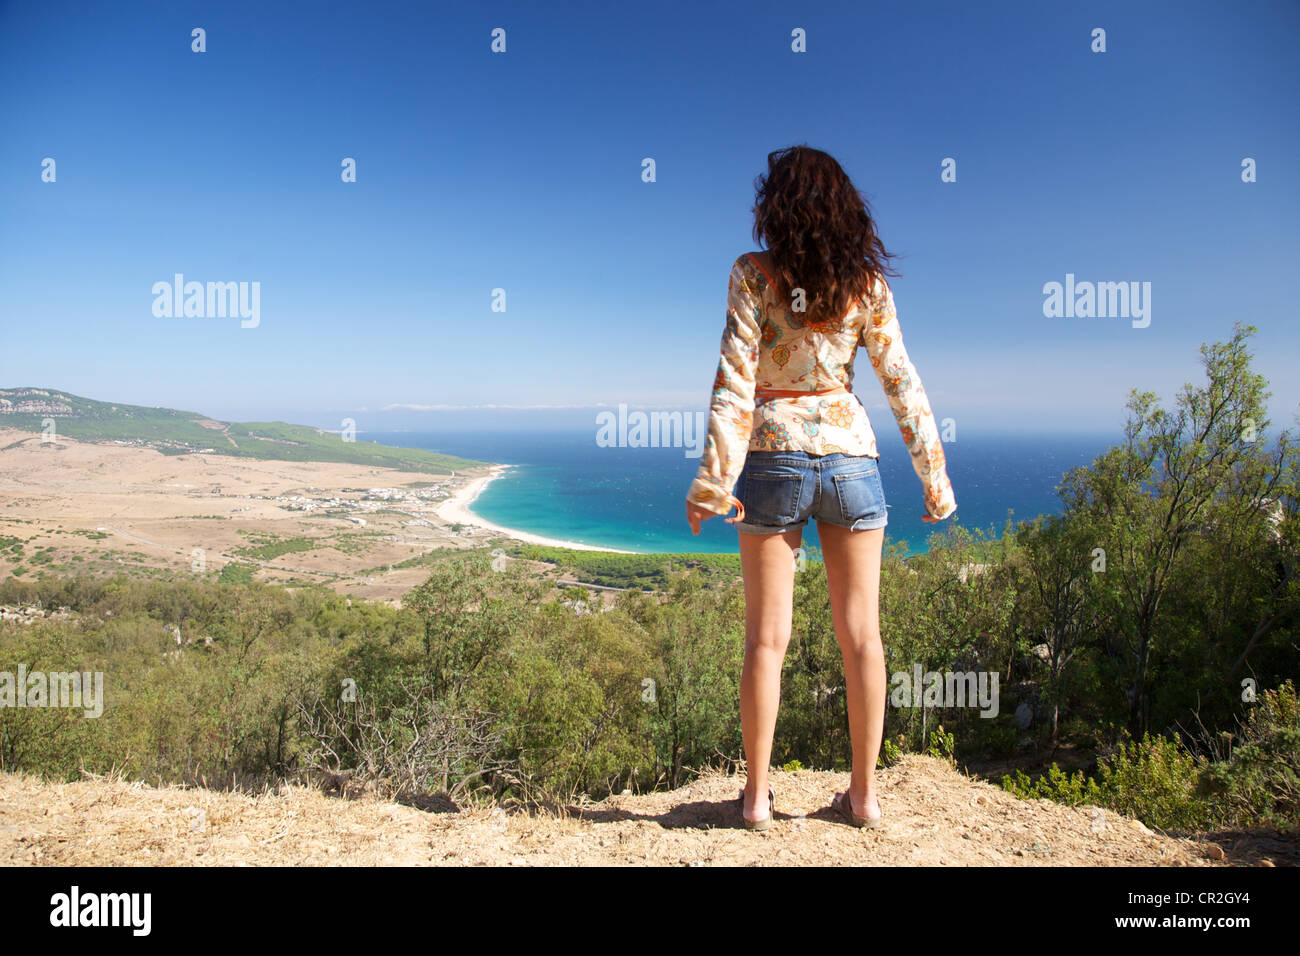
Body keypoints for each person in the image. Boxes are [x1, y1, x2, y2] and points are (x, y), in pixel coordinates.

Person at [684, 145, 956, 831]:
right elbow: (902, 383)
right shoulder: (867, 286)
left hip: (773, 455)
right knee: (862, 636)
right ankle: (862, 798)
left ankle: (754, 799)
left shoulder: (753, 274)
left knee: (765, 641)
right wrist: (935, 477)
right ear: (844, 209)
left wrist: (715, 479)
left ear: (776, 205)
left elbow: (734, 382)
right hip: (851, 460)